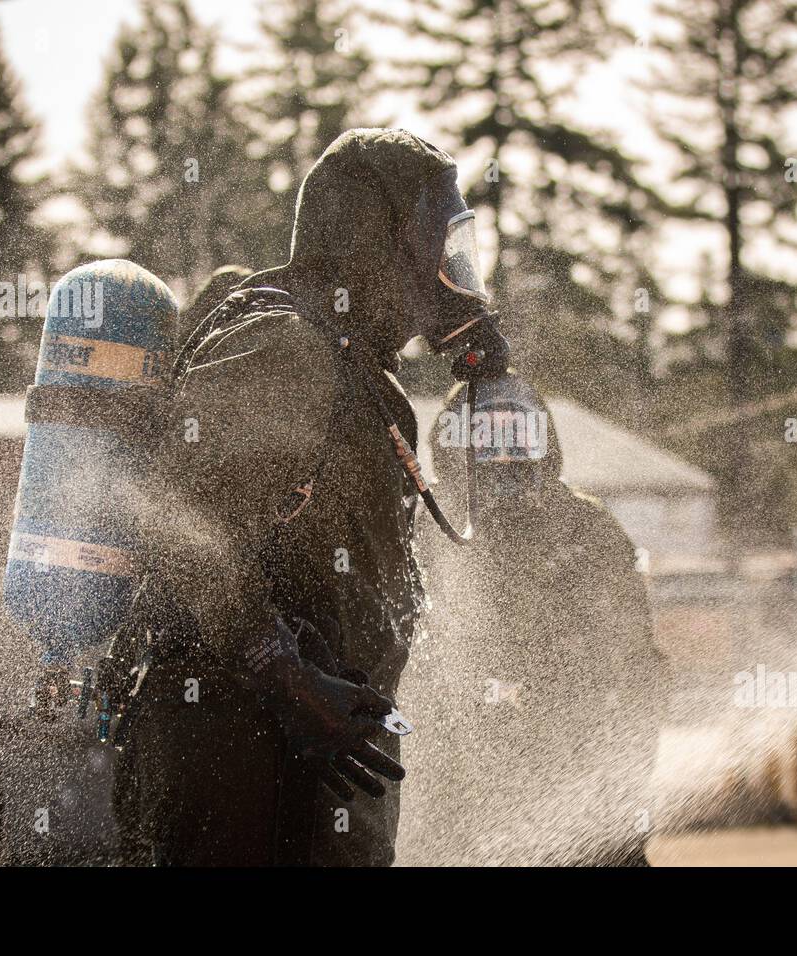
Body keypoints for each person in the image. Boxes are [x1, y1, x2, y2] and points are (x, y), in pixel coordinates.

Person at [111, 128, 508, 866]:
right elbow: (169, 513)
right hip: (232, 777)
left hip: (313, 783)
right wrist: (283, 672)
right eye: (434, 243)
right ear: (371, 237)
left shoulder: (369, 377)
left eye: (459, 249)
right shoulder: (289, 344)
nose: (449, 270)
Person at [399, 372, 669, 865]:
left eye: (515, 447)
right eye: (489, 447)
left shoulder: (586, 525)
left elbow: (635, 666)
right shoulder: (420, 522)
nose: (503, 468)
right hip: (454, 774)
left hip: (570, 759)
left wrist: (624, 770)